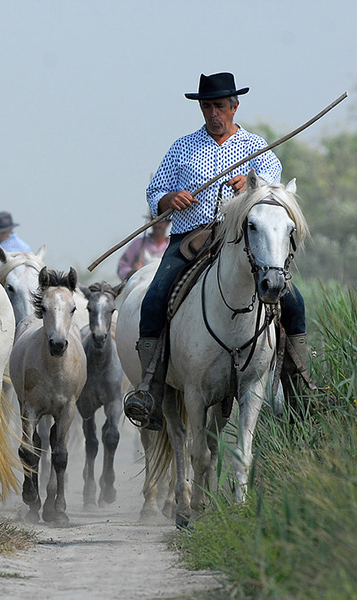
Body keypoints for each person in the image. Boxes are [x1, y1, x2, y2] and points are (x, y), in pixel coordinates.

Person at [124, 72, 309, 431]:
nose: (213, 113)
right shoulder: (182, 147)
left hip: (241, 239)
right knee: (154, 298)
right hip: (189, 237)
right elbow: (155, 190)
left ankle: (299, 390)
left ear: (234, 107)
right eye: (207, 106)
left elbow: (274, 190)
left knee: (294, 301)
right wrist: (169, 198)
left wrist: (252, 184)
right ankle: (151, 389)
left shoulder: (257, 148)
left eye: (220, 106)